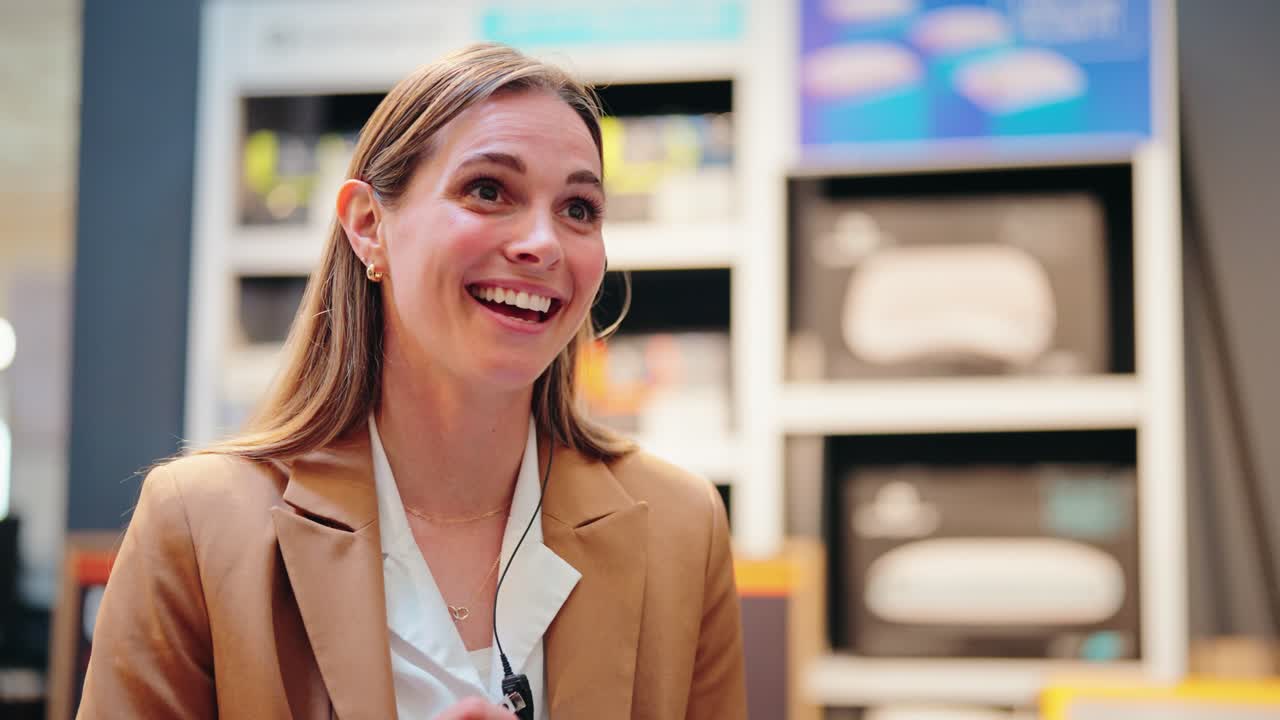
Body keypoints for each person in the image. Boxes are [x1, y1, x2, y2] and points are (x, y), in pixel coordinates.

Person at [77, 43, 745, 719]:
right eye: (488, 191)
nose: (543, 243)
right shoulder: (199, 524)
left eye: (579, 208)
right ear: (369, 226)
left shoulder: (681, 528)